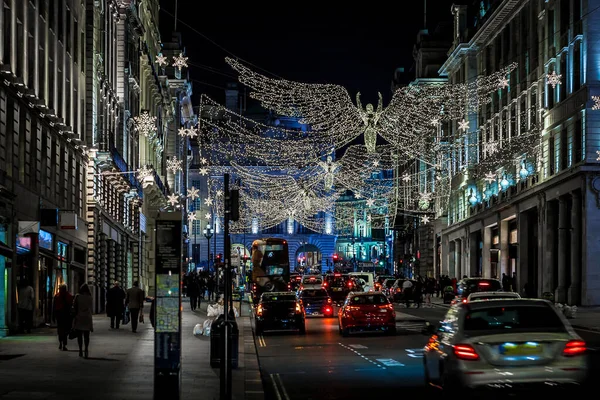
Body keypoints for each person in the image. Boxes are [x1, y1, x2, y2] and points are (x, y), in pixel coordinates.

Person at [72, 284, 94, 358]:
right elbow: (91, 308)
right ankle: (86, 349)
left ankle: (80, 350)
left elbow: (74, 307)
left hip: (79, 317)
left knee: (79, 336)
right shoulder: (90, 297)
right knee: (86, 335)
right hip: (87, 317)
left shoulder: (78, 297)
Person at [53, 283, 73, 351]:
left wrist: (53, 315)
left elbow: (54, 307)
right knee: (65, 330)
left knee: (60, 329)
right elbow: (71, 306)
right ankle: (64, 344)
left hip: (59, 315)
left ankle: (61, 342)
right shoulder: (69, 296)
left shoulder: (57, 296)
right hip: (66, 315)